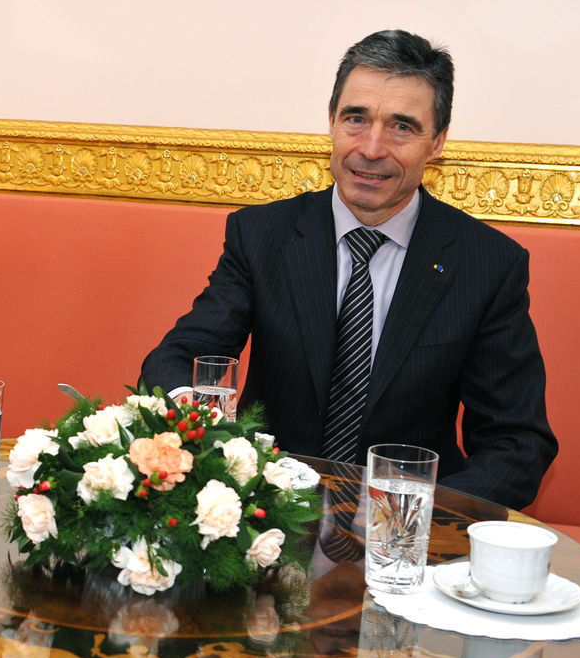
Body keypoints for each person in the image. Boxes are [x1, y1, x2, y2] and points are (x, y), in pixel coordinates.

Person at [141, 29, 556, 510]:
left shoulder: (487, 263)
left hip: (405, 533)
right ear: (332, 123)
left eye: (402, 127)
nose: (372, 147)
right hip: (265, 513)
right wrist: (217, 452)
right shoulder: (262, 235)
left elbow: (517, 445)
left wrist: (411, 516)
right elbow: (180, 360)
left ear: (437, 142)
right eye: (356, 118)